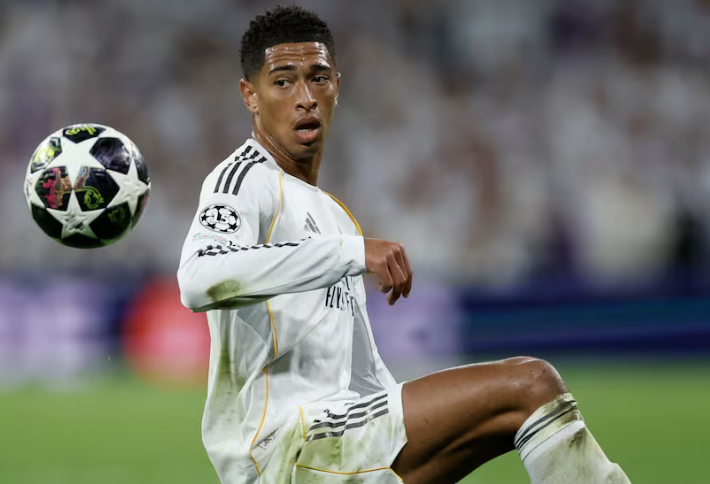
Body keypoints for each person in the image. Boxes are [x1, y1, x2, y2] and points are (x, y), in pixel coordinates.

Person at [177, 6, 631, 484]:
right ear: (250, 95)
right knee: (530, 385)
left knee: (525, 398)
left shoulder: (333, 216)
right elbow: (198, 278)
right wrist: (351, 252)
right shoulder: (243, 178)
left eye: (319, 78)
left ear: (337, 86)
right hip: (285, 449)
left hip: (339, 438)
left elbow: (363, 378)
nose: (306, 98)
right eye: (283, 82)